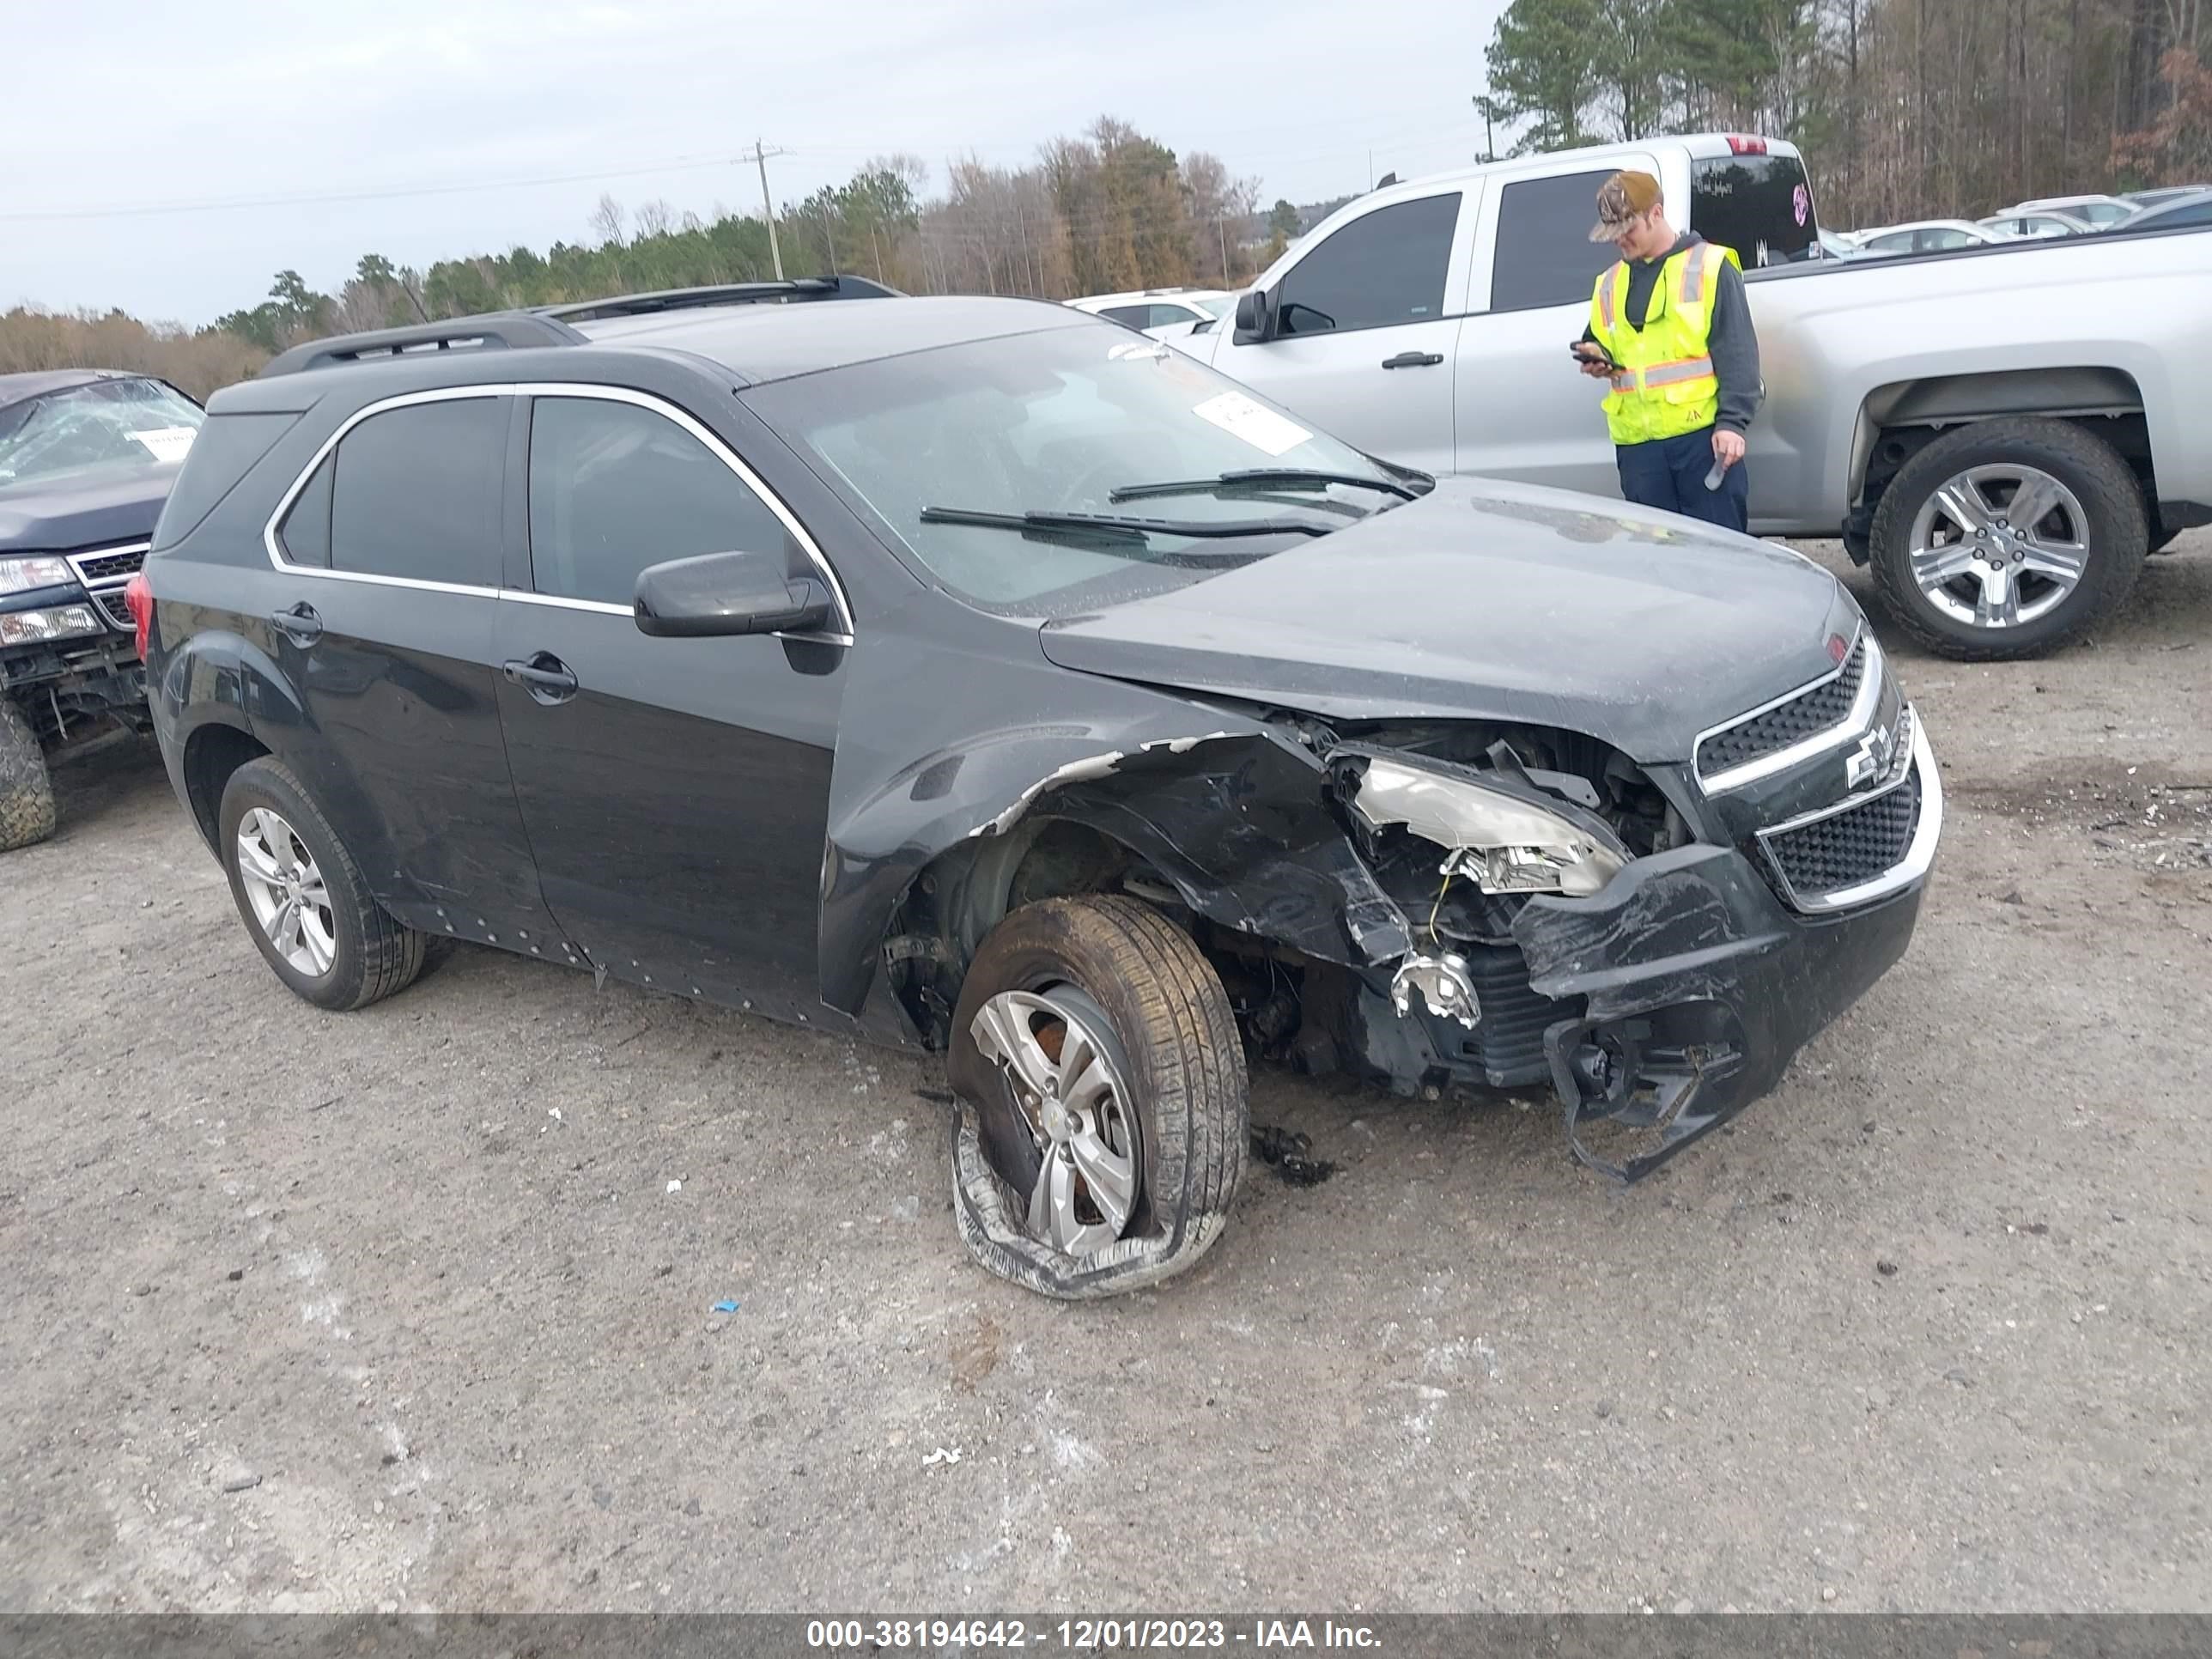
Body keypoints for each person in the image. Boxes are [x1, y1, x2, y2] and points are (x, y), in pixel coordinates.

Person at [1571, 170, 1761, 534]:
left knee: (1720, 553)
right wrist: (1596, 358)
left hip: (1701, 443)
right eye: (1613, 233)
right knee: (1656, 561)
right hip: (1639, 451)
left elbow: (1737, 350)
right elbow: (1601, 338)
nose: (1620, 241)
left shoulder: (1709, 266)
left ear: (1656, 214)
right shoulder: (1610, 283)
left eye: (1629, 229)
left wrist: (1732, 424)